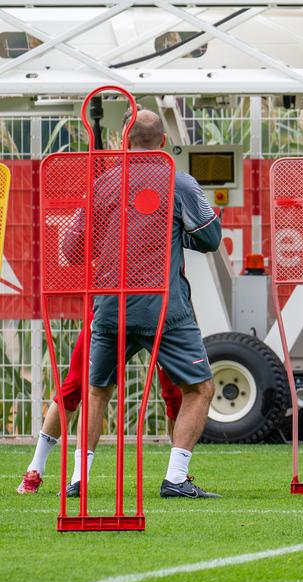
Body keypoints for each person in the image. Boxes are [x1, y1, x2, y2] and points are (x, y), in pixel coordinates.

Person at [63, 109, 222, 497]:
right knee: (200, 389)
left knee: (97, 390)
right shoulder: (179, 182)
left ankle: (78, 480)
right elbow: (210, 237)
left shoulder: (102, 183)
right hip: (163, 307)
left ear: (123, 142)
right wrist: (172, 237)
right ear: (164, 143)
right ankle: (176, 478)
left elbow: (72, 248)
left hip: (110, 305)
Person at [16, 333, 182, 494]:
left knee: (175, 393)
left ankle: (177, 476)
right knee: (74, 385)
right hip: (111, 315)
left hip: (156, 318)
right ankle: (37, 469)